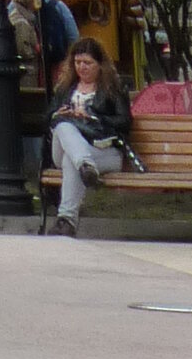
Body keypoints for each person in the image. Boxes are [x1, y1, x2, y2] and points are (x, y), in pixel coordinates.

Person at [45, 43, 131, 231]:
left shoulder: (112, 88)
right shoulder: (66, 87)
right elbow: (47, 118)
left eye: (87, 63)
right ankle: (85, 164)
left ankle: (66, 221)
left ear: (100, 64)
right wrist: (58, 113)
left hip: (104, 150)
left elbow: (125, 122)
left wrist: (93, 116)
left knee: (71, 161)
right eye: (77, 62)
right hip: (66, 145)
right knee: (63, 124)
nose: (81, 67)